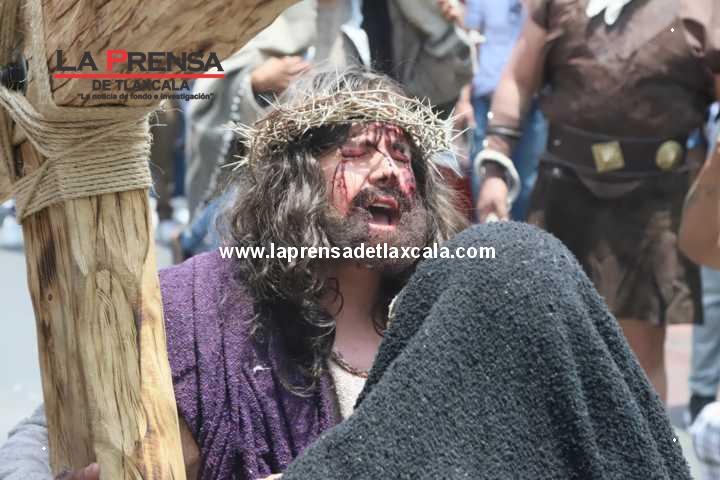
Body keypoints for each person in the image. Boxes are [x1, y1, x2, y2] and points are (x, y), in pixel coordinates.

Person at [0, 68, 689, 480]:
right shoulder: (203, 302)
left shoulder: (461, 303)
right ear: (296, 180)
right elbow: (45, 434)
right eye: (359, 152)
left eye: (405, 156)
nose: (391, 171)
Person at [474, 0, 718, 402]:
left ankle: (645, 443)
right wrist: (496, 167)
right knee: (547, 342)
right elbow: (518, 79)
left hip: (655, 205)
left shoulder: (699, 8)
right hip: (563, 193)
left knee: (639, 360)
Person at [463, 0, 547, 221]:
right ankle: (488, 240)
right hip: (485, 99)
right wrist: (464, 98)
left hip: (533, 104)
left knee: (526, 185)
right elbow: (469, 40)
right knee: (485, 183)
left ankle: (519, 238)